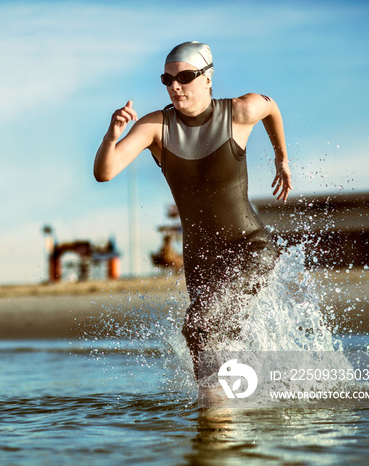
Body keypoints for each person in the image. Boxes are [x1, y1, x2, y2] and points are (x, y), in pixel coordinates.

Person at [93, 41, 293, 383]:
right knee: (207, 340)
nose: (175, 86)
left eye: (185, 77)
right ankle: (221, 411)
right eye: (167, 79)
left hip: (250, 247)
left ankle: (223, 409)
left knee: (201, 327)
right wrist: (112, 136)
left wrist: (282, 158)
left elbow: (271, 107)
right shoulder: (157, 127)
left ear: (208, 79)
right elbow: (105, 172)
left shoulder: (240, 111)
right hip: (201, 258)